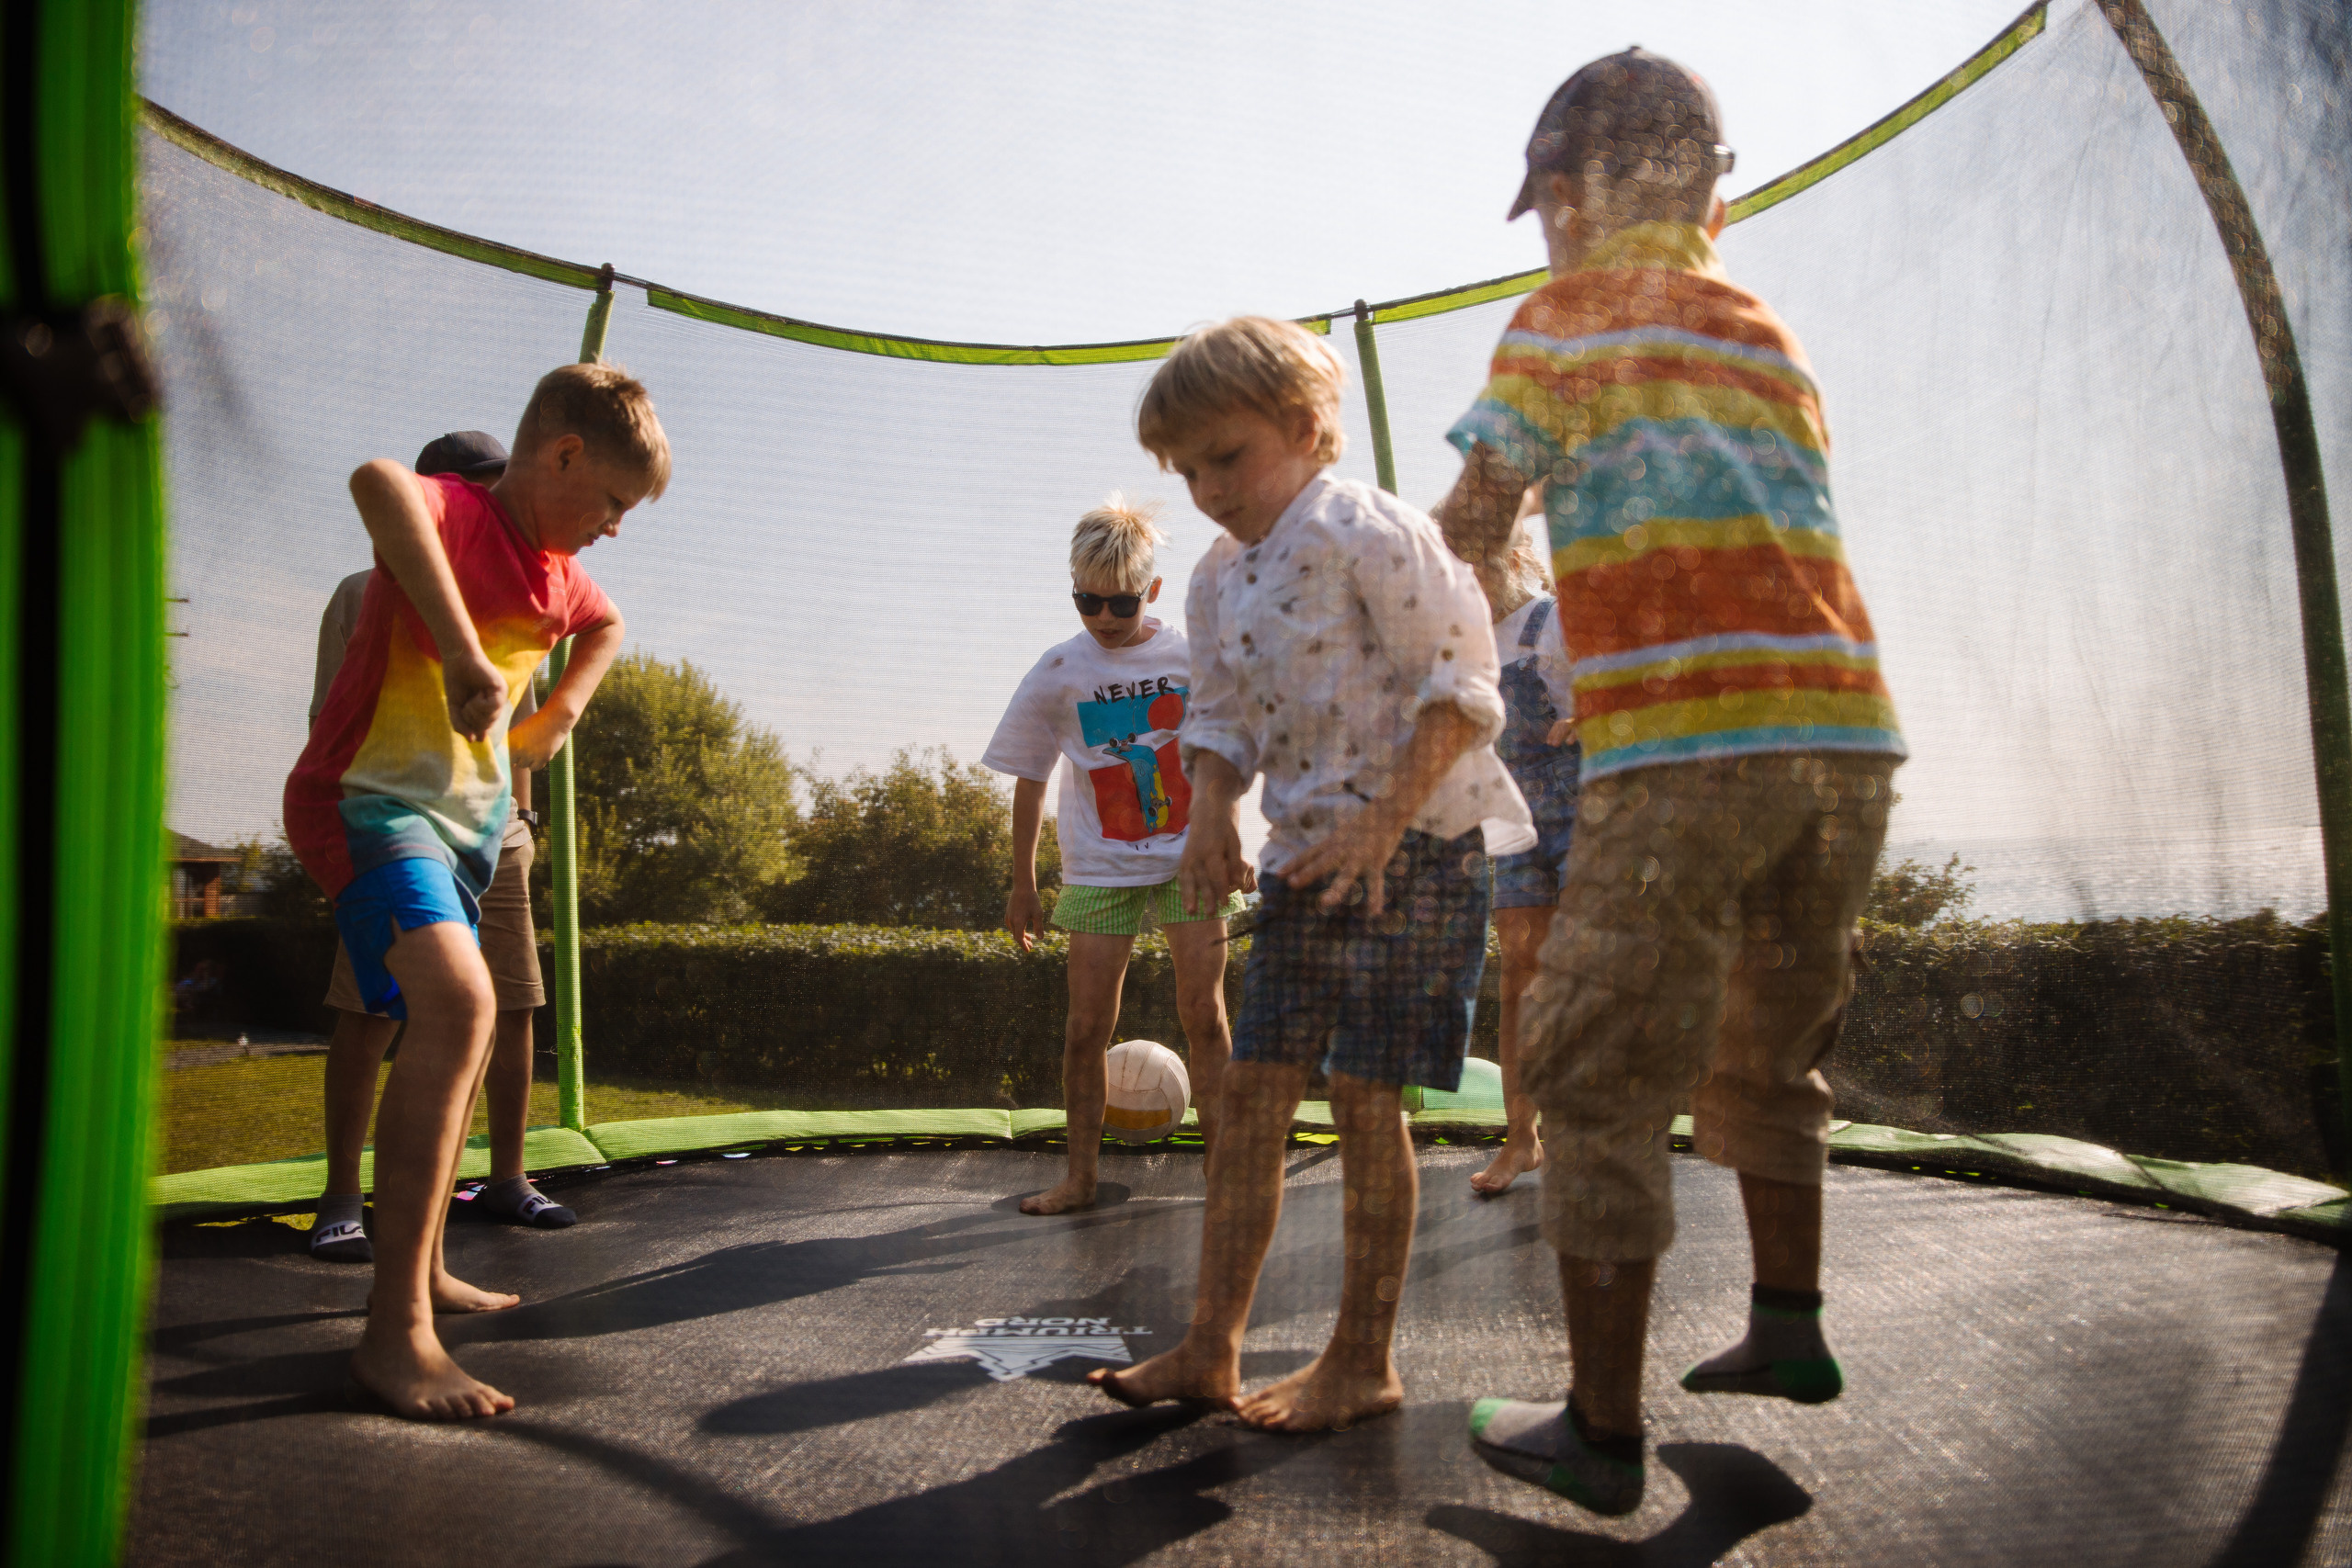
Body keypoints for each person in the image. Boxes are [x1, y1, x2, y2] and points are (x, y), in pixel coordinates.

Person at [1433, 51, 1905, 1513]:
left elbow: (1475, 511)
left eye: (1549, 206)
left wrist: (1463, 546)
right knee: (1768, 1038)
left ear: (1567, 197)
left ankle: (1600, 1430)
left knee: (1593, 1068)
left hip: (1685, 749)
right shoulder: (1766, 325)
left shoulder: (1562, 316)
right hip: (1841, 740)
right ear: (1715, 190)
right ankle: (1788, 1322)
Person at [1089, 316, 1534, 1431]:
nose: (1205, 488)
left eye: (1224, 458)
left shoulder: (1366, 529)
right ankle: (1209, 1346)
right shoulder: (1215, 577)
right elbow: (1224, 718)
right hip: (1301, 862)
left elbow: (1465, 683)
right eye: (1185, 470)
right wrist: (1207, 819)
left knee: (1365, 1101)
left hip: (1415, 854)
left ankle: (1362, 1359)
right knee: (1248, 1103)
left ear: (1305, 428)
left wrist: (1386, 823)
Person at [283, 362, 668, 1420]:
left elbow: (607, 623)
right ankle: (392, 1333)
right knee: (459, 1007)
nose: (614, 528)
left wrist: (562, 716)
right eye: (613, 503)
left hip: (468, 828)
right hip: (370, 807)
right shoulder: (455, 513)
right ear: (563, 456)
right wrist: (461, 652)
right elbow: (374, 480)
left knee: (466, 1026)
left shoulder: (558, 577)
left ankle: (428, 1264)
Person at [304, 430, 575, 1266]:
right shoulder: (364, 591)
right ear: (445, 495)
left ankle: (506, 1177)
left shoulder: (517, 593)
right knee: (370, 1007)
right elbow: (332, 718)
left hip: (494, 833)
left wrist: (522, 823)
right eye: (482, 489)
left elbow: (515, 728)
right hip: (396, 833)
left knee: (515, 1001)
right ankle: (344, 1194)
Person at [982, 497, 1247, 1215]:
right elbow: (1030, 780)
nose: (1104, 616)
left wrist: (1232, 841)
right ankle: (1080, 1178)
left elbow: (1226, 752)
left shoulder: (1190, 657)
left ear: (1150, 592)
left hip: (1189, 859)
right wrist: (1023, 881)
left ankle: (1222, 1174)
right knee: (1084, 1030)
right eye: (1087, 600)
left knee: (1206, 1015)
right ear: (1074, 589)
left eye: (1120, 603)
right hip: (1100, 870)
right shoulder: (1058, 670)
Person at [1464, 505, 1580, 1197]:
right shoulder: (1465, 643)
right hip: (1512, 819)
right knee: (1518, 978)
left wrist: (1590, 713)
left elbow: (1622, 689)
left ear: (1506, 563)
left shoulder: (1556, 621)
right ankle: (1521, 1139)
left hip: (1580, 808)